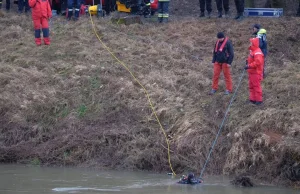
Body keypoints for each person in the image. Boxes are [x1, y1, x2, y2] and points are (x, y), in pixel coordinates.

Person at [244, 38, 264, 105]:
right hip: (251, 72)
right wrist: (247, 61)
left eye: (250, 42)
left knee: (256, 86)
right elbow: (251, 59)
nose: (249, 43)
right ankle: (253, 99)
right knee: (251, 86)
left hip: (256, 72)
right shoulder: (252, 51)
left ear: (253, 43)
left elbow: (258, 62)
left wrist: (249, 66)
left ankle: (259, 100)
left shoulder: (257, 52)